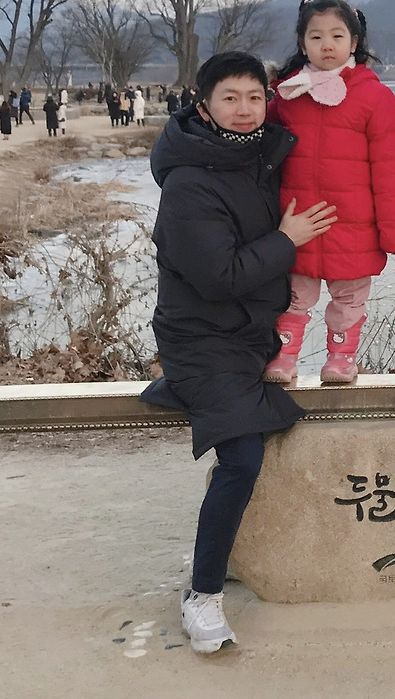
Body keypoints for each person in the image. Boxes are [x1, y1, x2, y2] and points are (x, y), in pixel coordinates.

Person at [138, 51, 336, 654]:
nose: (246, 109)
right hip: (201, 336)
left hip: (254, 333)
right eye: (230, 98)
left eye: (255, 97)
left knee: (267, 429)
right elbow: (218, 276)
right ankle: (202, 594)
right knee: (243, 457)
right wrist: (288, 239)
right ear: (204, 107)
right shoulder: (187, 184)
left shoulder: (261, 157)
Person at [262, 0, 395, 385]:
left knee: (349, 298)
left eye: (337, 35)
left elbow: (390, 169)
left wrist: (394, 232)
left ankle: (341, 360)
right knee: (293, 296)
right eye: (316, 37)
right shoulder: (288, 94)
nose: (326, 45)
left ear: (354, 42)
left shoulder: (375, 96)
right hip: (298, 219)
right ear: (302, 43)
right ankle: (284, 357)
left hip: (353, 222)